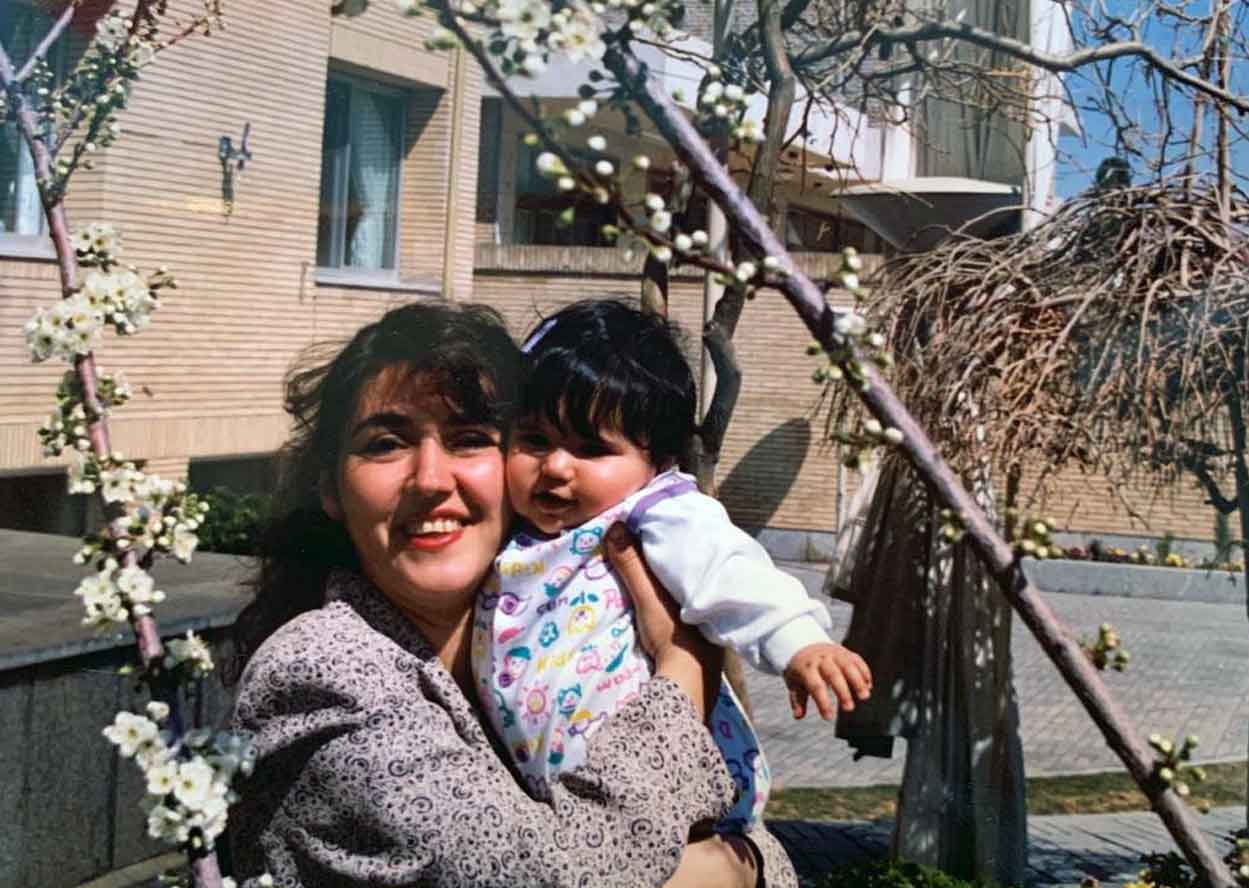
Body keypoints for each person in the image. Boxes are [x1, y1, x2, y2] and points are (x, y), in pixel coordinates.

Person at [226, 301, 797, 887]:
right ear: (329, 486)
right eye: (386, 444)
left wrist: (749, 861)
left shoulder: (543, 637)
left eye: (470, 439)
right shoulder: (318, 672)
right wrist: (684, 668)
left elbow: (752, 845)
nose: (430, 479)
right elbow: (551, 875)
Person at [474, 299, 873, 831]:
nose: (556, 467)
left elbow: (727, 570)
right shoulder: (509, 532)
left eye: (591, 449)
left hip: (668, 784)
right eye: (534, 441)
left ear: (656, 463)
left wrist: (797, 642)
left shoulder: (655, 513)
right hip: (566, 805)